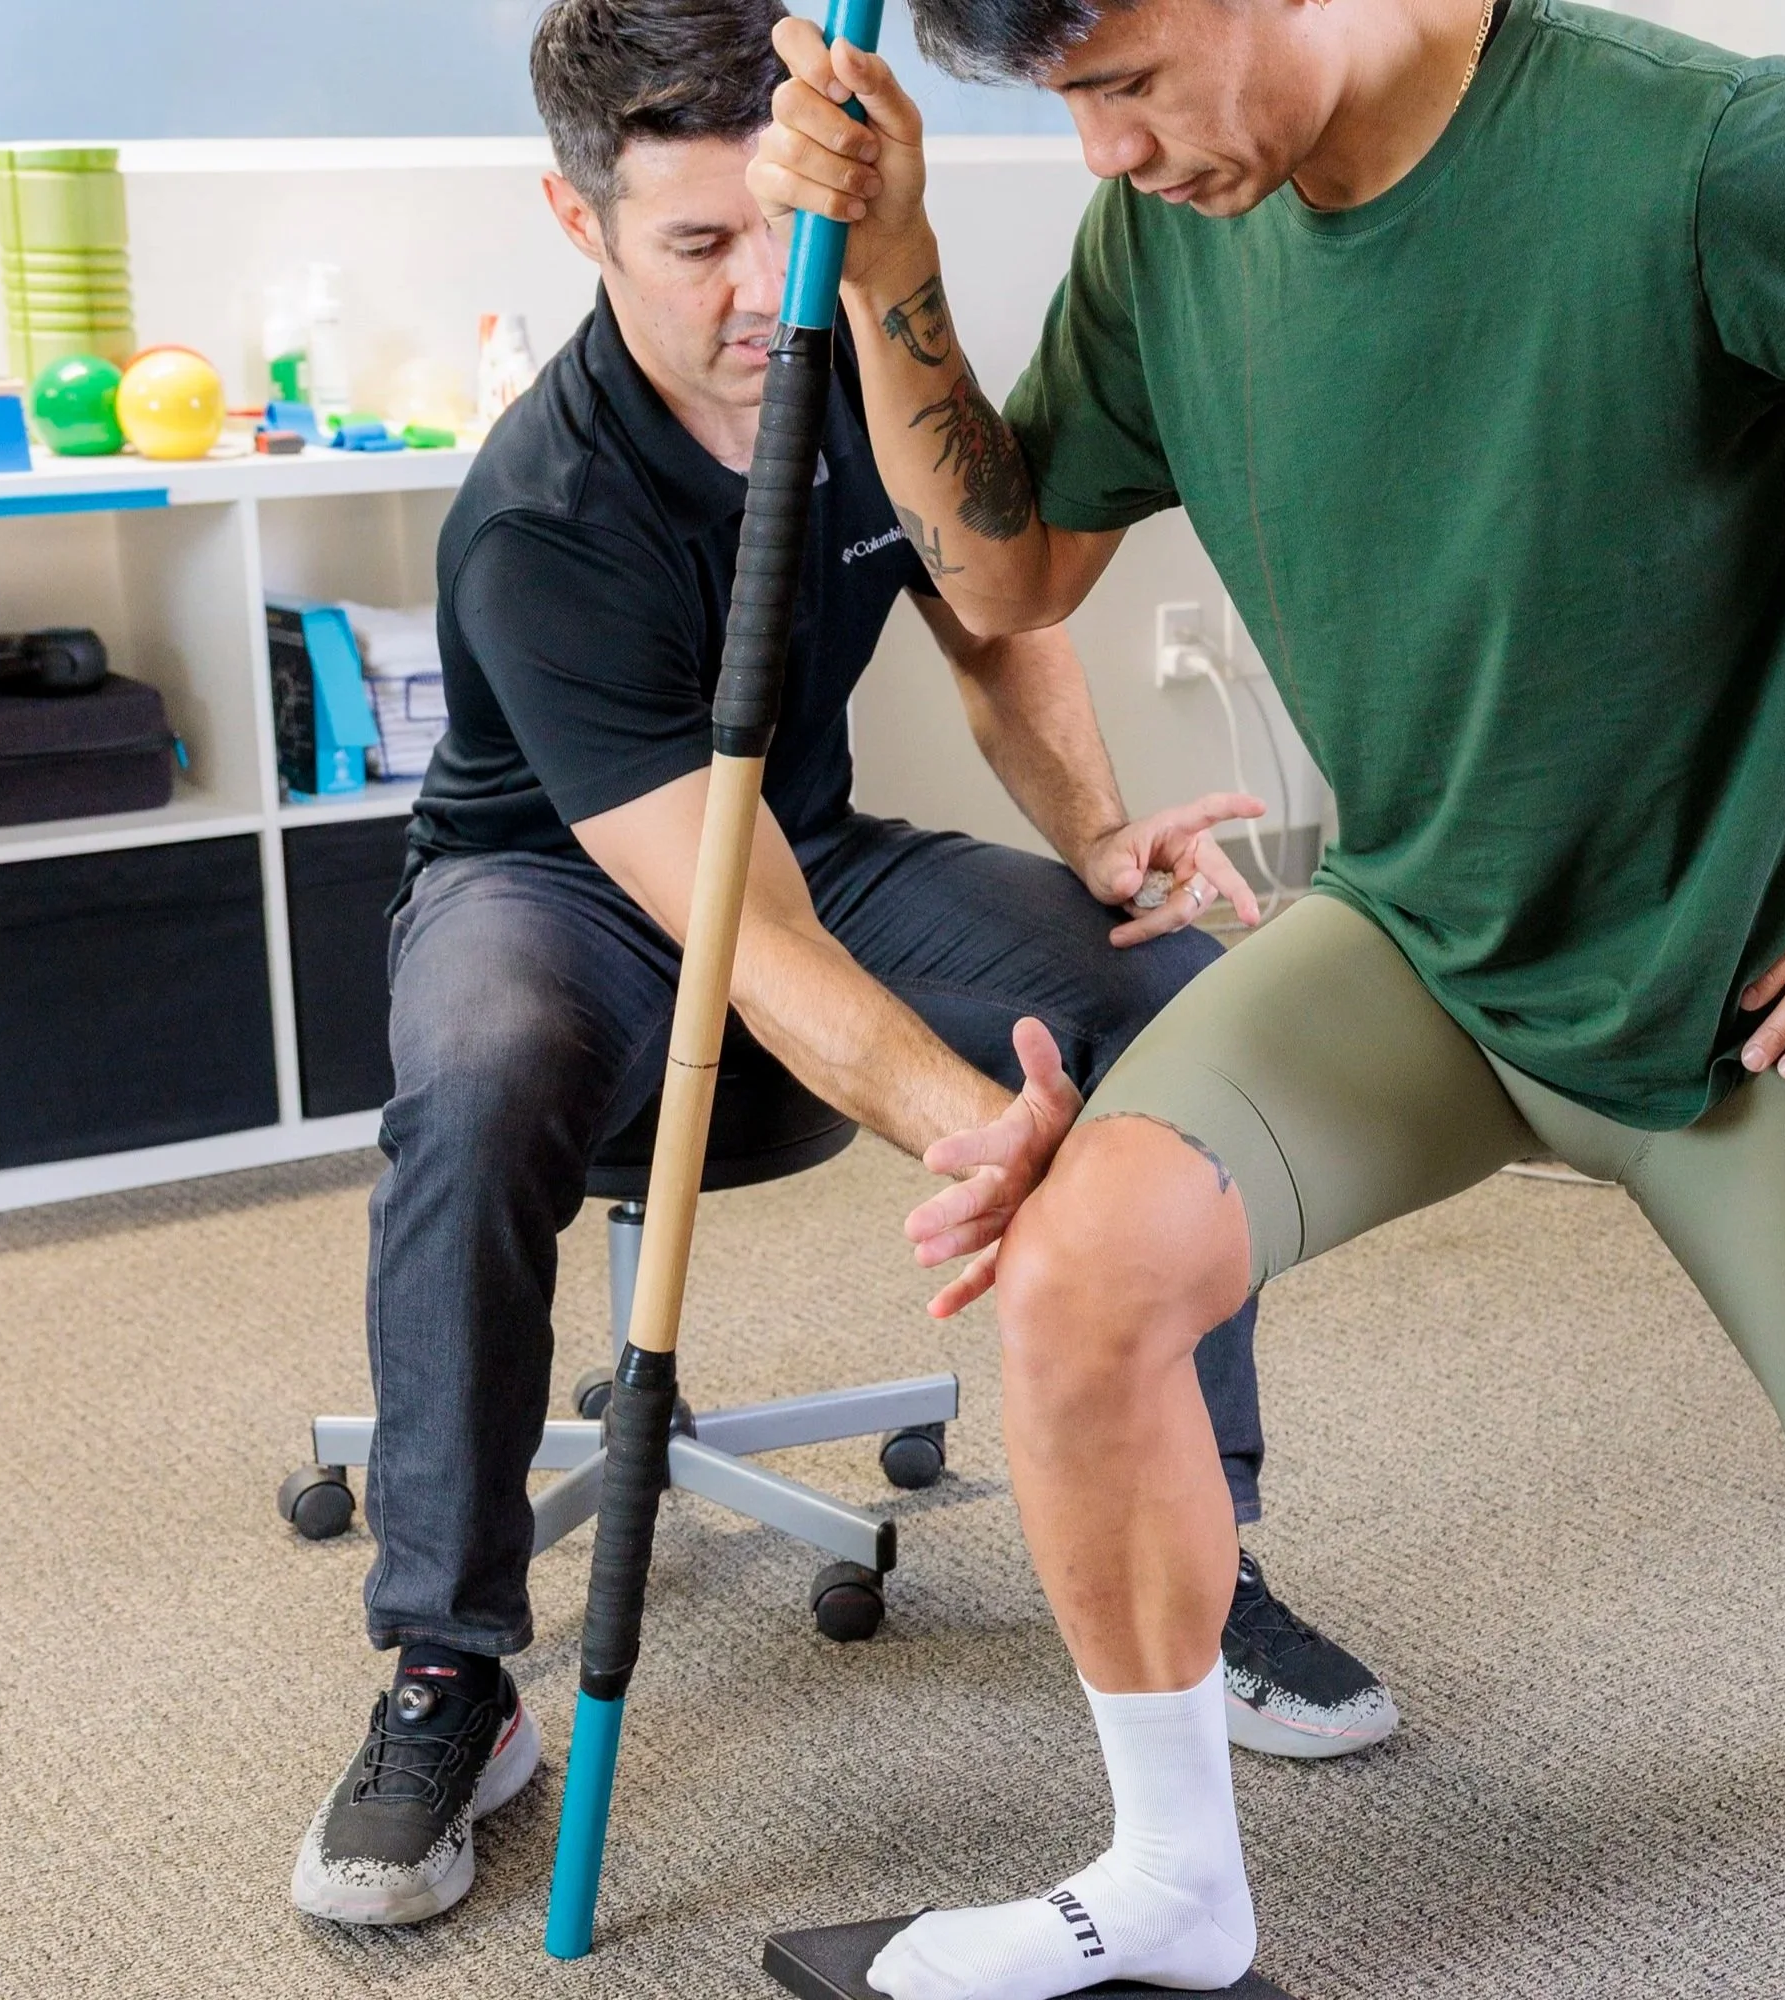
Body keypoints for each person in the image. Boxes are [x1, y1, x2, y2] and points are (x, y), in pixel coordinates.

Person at [750, 1, 1785, 1993]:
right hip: (1422, 944)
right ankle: (1177, 1887)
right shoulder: (1169, 225)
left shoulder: (1692, 154)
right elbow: (1014, 586)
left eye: (1119, 85)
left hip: (1734, 994)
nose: (1102, 151)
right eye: (1060, 104)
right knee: (1074, 1284)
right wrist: (901, 268)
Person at [289, 0, 1398, 1932]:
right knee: (474, 1074)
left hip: (802, 850)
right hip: (559, 881)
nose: (749, 296)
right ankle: (451, 1670)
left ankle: (1199, 1567)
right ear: (581, 223)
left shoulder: (856, 360)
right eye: (693, 246)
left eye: (775, 233)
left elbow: (992, 617)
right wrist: (994, 1140)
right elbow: (735, 921)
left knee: (1156, 1000)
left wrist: (1092, 837)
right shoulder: (543, 519)